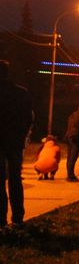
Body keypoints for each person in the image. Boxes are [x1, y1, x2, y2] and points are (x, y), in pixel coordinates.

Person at [0, 60, 34, 226]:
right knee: (15, 179)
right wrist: (21, 135)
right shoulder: (22, 93)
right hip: (15, 141)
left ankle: (1, 219)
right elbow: (29, 117)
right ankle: (18, 217)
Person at [64, 104, 79, 182]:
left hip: (68, 136)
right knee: (73, 157)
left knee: (69, 156)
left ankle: (69, 174)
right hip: (76, 137)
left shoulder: (72, 114)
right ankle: (71, 177)